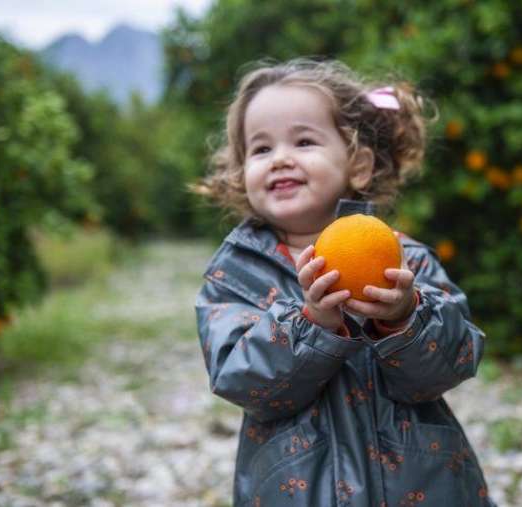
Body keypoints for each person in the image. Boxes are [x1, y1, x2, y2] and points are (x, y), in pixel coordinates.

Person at [194, 58, 495, 507]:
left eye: (304, 140)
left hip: (421, 487)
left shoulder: (403, 260)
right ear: (241, 174)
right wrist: (311, 323)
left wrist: (405, 317)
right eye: (260, 149)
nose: (280, 159)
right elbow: (240, 379)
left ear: (357, 164)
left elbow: (456, 358)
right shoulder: (235, 275)